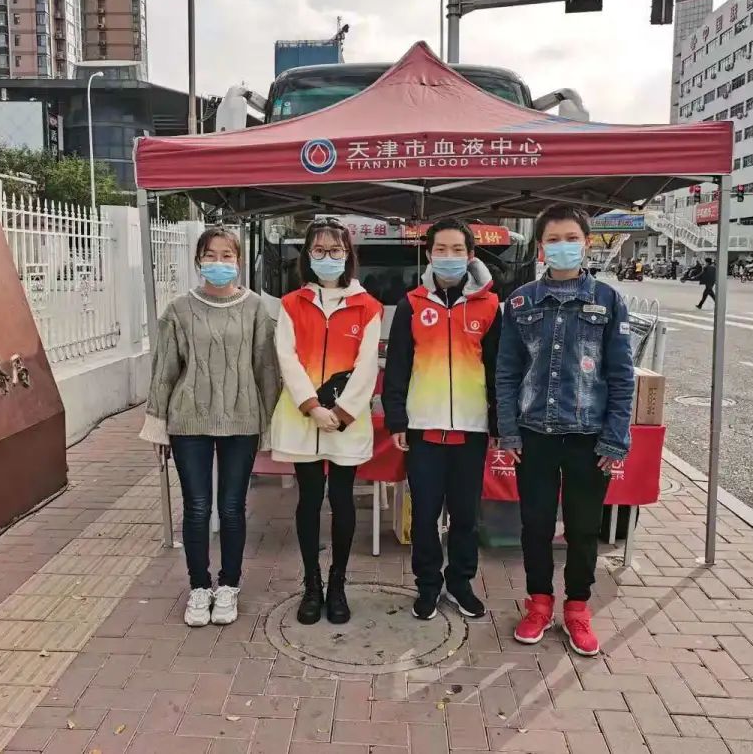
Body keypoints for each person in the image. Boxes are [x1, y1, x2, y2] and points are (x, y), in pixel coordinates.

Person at [496, 205, 634, 656]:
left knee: (583, 527)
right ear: (540, 247)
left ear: (586, 243)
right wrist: (508, 431)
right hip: (533, 435)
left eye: (571, 238)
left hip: (588, 438)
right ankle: (538, 602)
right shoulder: (520, 303)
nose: (563, 247)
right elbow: (506, 372)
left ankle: (577, 607)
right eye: (553, 239)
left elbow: (622, 376)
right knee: (535, 525)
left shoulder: (608, 301)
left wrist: (615, 437)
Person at [140, 227, 280, 627]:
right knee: (197, 507)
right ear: (198, 261)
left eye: (226, 255)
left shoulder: (255, 308)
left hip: (242, 420)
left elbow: (266, 369)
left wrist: (269, 423)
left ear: (238, 260)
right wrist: (157, 424)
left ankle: (229, 585)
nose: (219, 263)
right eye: (210, 255)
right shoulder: (178, 310)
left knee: (232, 507)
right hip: (189, 421)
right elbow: (165, 371)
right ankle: (199, 587)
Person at [382, 219, 501, 621]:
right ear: (429, 254)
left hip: (471, 429)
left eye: (457, 250)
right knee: (425, 513)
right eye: (440, 249)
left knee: (466, 516)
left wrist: (498, 423)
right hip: (423, 429)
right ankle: (428, 585)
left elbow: (498, 370)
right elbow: (397, 368)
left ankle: (461, 583)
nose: (448, 257)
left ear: (471, 255)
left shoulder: (490, 306)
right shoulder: (411, 304)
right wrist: (397, 420)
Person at [271, 218, 382, 625]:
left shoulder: (368, 306)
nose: (328, 257)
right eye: (319, 250)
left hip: (345, 422)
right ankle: (312, 584)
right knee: (308, 499)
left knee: (342, 499)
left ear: (348, 255)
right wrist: (312, 406)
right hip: (304, 418)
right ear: (307, 255)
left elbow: (367, 365)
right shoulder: (291, 304)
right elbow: (287, 358)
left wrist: (341, 412)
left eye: (336, 250)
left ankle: (338, 584)